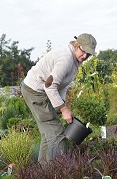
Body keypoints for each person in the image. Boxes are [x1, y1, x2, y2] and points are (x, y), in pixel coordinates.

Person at [20, 33, 97, 162]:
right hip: (35, 92)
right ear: (76, 45)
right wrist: (63, 109)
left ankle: (44, 171)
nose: (84, 57)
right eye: (83, 52)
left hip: (39, 91)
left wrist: (62, 105)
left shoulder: (75, 60)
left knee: (48, 133)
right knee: (57, 134)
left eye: (88, 55)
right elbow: (49, 85)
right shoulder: (66, 59)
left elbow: (63, 85)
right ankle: (57, 173)